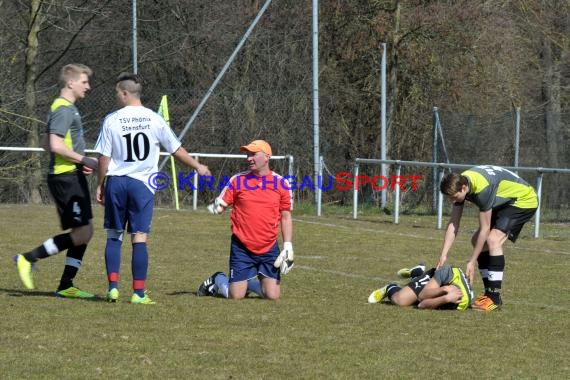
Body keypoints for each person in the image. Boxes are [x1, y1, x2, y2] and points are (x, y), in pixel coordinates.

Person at [94, 72, 211, 305]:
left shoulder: (112, 119)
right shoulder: (154, 119)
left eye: (117, 92)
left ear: (125, 93)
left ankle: (113, 289)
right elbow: (175, 149)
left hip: (117, 183)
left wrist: (100, 183)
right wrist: (197, 165)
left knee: (114, 236)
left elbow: (104, 156)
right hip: (142, 185)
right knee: (139, 238)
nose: (116, 96)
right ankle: (138, 294)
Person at [13, 64, 98, 298]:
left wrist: (78, 163)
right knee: (82, 233)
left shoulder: (61, 107)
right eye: (84, 82)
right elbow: (55, 145)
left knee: (86, 231)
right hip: (65, 177)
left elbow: (45, 142)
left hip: (70, 173)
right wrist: (84, 159)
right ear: (70, 83)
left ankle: (66, 285)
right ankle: (27, 258)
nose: (88, 87)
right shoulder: (63, 109)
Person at [203, 139, 294, 300]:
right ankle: (218, 278)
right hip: (242, 247)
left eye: (253, 154)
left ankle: (249, 285)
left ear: (266, 157)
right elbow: (220, 205)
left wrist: (287, 246)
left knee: (272, 296)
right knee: (236, 296)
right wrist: (215, 206)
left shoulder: (282, 184)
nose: (248, 158)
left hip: (269, 247)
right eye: (247, 155)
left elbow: (286, 217)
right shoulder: (237, 180)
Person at [438, 165, 538, 311]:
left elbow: (485, 229)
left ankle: (494, 298)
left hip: (523, 200)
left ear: (464, 188)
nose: (452, 201)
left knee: (493, 239)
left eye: (454, 197)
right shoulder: (462, 182)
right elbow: (454, 223)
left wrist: (472, 262)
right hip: (505, 202)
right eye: (449, 198)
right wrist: (443, 254)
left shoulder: (482, 189)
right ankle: (488, 294)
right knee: (476, 240)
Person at [368, 264, 474, 311]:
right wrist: (443, 289)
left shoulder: (459, 302)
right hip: (438, 277)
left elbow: (421, 305)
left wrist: (445, 298)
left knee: (413, 301)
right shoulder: (446, 273)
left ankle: (417, 274)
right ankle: (390, 287)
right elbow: (422, 296)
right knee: (400, 300)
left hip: (447, 288)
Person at [197, 271, 264, 298]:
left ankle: (246, 284)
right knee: (235, 296)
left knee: (272, 295)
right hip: (245, 247)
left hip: (267, 245)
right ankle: (217, 277)